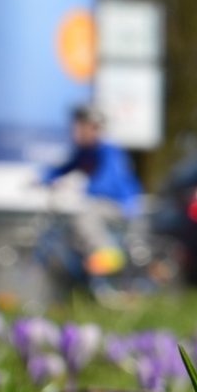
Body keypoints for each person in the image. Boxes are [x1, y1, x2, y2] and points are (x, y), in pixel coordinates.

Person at [42, 105, 142, 276]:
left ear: (94, 127)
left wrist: (83, 187)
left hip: (122, 205)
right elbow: (64, 168)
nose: (76, 131)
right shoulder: (85, 152)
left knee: (85, 215)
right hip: (103, 203)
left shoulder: (108, 150)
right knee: (72, 224)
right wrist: (43, 178)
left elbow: (109, 180)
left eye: (81, 127)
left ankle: (109, 254)